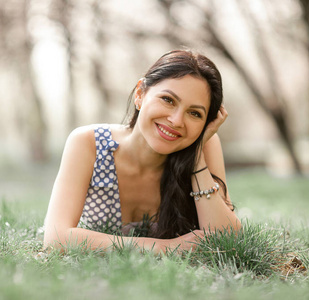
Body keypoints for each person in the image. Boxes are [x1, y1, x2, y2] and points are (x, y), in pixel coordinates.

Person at [43, 49, 241, 253]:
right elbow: (56, 238)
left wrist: (197, 158)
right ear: (140, 94)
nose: (176, 121)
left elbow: (226, 240)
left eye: (194, 113)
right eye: (168, 100)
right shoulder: (89, 142)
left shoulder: (205, 145)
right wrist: (167, 247)